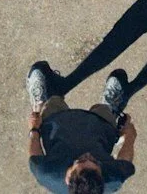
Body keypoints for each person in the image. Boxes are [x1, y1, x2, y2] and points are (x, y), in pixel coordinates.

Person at [26, 61, 135, 192]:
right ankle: (110, 105)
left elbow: (35, 155)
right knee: (104, 111)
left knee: (52, 104)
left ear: (68, 178)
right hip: (100, 130)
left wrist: (34, 129)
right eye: (95, 162)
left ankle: (42, 101)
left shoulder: (47, 173)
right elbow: (125, 161)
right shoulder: (112, 180)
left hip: (57, 126)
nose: (88, 154)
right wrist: (129, 136)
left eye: (81, 160)